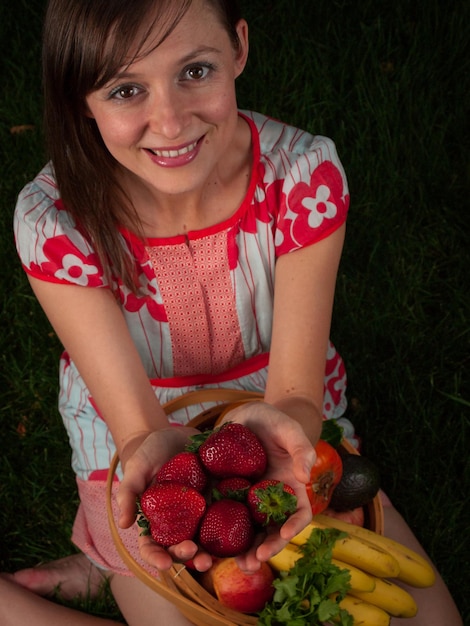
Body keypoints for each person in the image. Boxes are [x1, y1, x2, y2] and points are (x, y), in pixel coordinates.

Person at [1, 0, 462, 624]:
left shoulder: (302, 176)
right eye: (126, 90)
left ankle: (101, 571)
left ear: (238, 48)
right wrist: (151, 449)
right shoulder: (52, 220)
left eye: (195, 72)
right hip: (135, 423)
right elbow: (139, 425)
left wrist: (290, 428)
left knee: (433, 620)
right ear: (79, 96)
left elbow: (296, 394)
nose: (169, 121)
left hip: (278, 404)